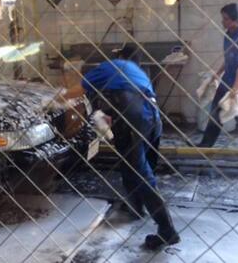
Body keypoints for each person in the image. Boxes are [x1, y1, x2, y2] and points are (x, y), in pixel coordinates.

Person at [62, 45, 180, 250]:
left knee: (140, 171)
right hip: (152, 118)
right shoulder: (137, 72)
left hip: (134, 118)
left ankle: (167, 229)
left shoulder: (113, 65)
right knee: (135, 164)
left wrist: (55, 99)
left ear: (120, 57)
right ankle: (136, 206)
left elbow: (79, 89)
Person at [196, 3, 238, 148]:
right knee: (216, 109)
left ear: (236, 20)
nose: (222, 21)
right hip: (228, 77)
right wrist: (216, 74)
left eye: (226, 19)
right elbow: (228, 58)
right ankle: (206, 144)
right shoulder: (228, 34)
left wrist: (235, 89)